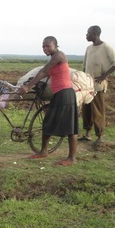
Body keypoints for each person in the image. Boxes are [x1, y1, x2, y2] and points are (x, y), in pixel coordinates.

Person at [20, 36, 78, 166]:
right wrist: (29, 82)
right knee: (47, 122)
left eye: (48, 46)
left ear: (56, 45)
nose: (45, 48)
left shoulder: (59, 55)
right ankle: (44, 151)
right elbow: (45, 74)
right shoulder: (54, 59)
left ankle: (72, 158)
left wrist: (27, 87)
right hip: (58, 94)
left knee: (70, 127)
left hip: (66, 94)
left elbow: (43, 71)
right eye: (43, 46)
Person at [81, 25, 115, 143]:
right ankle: (87, 134)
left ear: (95, 34)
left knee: (97, 110)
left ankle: (100, 136)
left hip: (98, 85)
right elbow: (85, 66)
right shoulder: (89, 48)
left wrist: (104, 76)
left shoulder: (106, 47)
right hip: (87, 84)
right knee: (86, 110)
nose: (86, 35)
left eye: (88, 33)